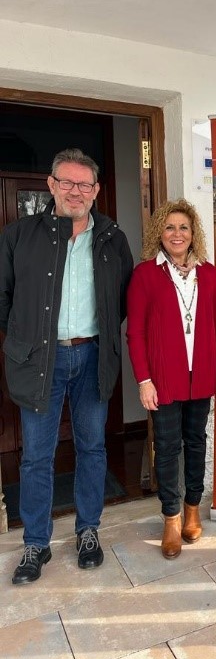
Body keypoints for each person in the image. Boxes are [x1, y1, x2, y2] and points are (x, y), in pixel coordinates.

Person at [0, 148, 133, 584]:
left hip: (92, 355)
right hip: (42, 359)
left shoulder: (112, 238)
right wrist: (26, 341)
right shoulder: (20, 235)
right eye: (68, 182)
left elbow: (122, 300)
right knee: (37, 456)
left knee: (92, 448)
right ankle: (36, 543)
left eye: (85, 185)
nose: (76, 191)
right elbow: (3, 301)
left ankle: (88, 530)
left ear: (96, 191)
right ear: (51, 185)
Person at [126, 199, 216, 559]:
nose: (176, 234)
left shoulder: (209, 273)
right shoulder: (144, 274)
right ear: (160, 232)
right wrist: (144, 380)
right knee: (168, 446)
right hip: (163, 378)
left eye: (183, 228)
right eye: (169, 227)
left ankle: (192, 510)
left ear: (192, 234)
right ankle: (171, 518)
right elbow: (135, 333)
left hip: (201, 374)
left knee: (196, 441)